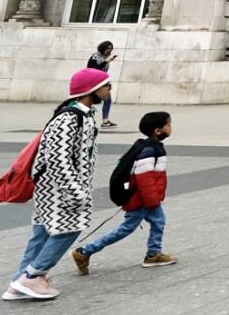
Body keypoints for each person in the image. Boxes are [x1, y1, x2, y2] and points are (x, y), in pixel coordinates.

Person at [4, 67, 110, 301]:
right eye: (106, 85)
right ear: (91, 90)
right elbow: (57, 157)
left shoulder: (83, 114)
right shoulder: (69, 117)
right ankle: (33, 276)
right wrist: (74, 190)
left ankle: (18, 282)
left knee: (42, 232)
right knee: (69, 228)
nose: (109, 89)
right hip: (59, 187)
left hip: (58, 185)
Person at [72, 111, 176, 273]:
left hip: (148, 198)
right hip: (142, 199)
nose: (171, 127)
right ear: (158, 130)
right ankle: (84, 252)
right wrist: (152, 201)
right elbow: (145, 178)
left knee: (159, 221)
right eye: (168, 125)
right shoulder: (149, 150)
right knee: (126, 228)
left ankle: (153, 253)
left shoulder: (150, 146)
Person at [86, 41, 118, 129]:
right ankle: (87, 120)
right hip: (94, 82)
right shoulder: (95, 57)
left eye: (110, 49)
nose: (109, 51)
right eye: (107, 49)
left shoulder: (104, 57)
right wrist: (106, 62)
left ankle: (105, 121)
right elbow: (94, 69)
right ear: (102, 48)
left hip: (102, 81)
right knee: (89, 101)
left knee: (107, 100)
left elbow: (102, 70)